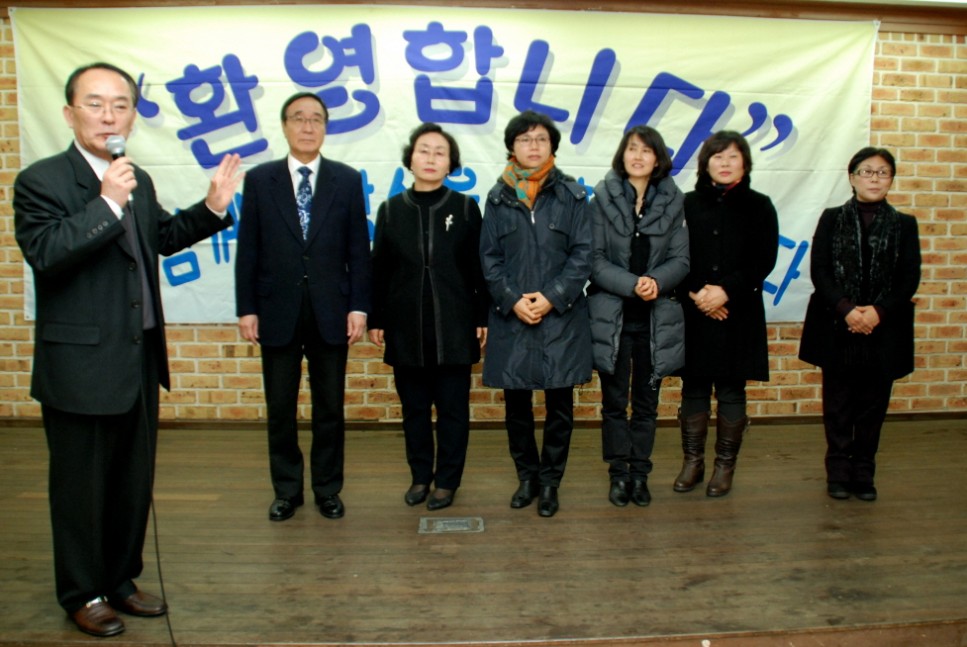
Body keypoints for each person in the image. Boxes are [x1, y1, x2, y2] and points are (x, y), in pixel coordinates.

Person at [13, 62, 242, 638]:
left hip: (137, 357)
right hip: (80, 364)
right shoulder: (42, 181)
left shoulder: (134, 178)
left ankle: (119, 579)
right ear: (69, 113)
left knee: (130, 482)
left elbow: (161, 237)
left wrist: (213, 207)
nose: (108, 115)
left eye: (120, 105)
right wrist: (108, 204)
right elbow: (47, 253)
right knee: (80, 488)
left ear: (133, 117)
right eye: (95, 104)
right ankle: (82, 592)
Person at [235, 92, 372, 523]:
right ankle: (286, 490)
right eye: (299, 118)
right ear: (284, 126)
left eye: (316, 119)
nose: (308, 126)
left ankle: (328, 489)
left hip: (332, 311)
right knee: (280, 407)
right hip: (277, 310)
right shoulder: (261, 180)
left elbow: (358, 249)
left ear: (326, 127)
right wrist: (246, 308)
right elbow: (248, 248)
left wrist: (359, 307)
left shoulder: (346, 180)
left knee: (329, 407)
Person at [368, 123, 488, 512]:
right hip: (405, 326)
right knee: (414, 409)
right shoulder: (391, 210)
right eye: (424, 150)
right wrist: (376, 318)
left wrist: (482, 315)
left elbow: (478, 268)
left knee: (453, 410)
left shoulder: (465, 208)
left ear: (451, 163)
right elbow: (379, 270)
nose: (431, 158)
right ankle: (420, 476)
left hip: (454, 325)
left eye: (440, 152)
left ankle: (447, 481)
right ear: (411, 159)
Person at [479, 110, 592, 518]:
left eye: (541, 139)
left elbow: (583, 255)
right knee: (517, 405)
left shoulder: (573, 196)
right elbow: (489, 258)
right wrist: (512, 300)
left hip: (560, 316)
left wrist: (551, 297)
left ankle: (550, 483)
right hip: (513, 317)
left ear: (552, 147)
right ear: (512, 147)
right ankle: (526, 477)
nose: (533, 146)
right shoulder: (497, 198)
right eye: (525, 139)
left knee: (560, 405)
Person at [799, 147, 921, 502]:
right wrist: (847, 310)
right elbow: (820, 270)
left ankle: (864, 472)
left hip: (884, 329)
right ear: (852, 178)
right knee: (837, 405)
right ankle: (838, 472)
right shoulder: (832, 219)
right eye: (867, 172)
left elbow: (909, 278)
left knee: (872, 406)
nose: (874, 179)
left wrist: (877, 312)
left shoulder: (904, 224)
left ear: (891, 180)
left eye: (882, 173)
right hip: (838, 325)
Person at [588, 126, 689, 508]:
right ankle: (618, 474)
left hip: (654, 320)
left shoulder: (674, 201)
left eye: (646, 150)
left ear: (657, 159)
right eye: (632, 149)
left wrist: (656, 282)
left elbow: (681, 259)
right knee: (614, 403)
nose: (638, 156)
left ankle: (640, 474)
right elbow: (594, 260)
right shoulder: (601, 199)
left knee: (647, 404)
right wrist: (633, 284)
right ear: (622, 154)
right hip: (613, 318)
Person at [675, 130, 778, 498]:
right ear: (706, 164)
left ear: (744, 164)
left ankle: (724, 466)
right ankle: (692, 462)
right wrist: (698, 293)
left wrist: (725, 291)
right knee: (694, 386)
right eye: (718, 156)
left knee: (732, 388)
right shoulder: (686, 204)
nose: (725, 163)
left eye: (733, 156)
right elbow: (674, 255)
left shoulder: (760, 205)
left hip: (739, 311)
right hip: (694, 309)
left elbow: (764, 260)